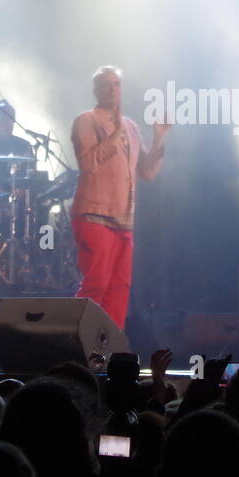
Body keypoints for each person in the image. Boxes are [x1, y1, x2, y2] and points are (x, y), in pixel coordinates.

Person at [69, 66, 169, 329]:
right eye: (106, 85)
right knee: (97, 283)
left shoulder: (132, 127)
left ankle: (109, 349)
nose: (112, 89)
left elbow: (147, 171)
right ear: (96, 91)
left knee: (119, 286)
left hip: (123, 219)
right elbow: (88, 163)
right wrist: (113, 135)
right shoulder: (86, 120)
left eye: (116, 84)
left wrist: (158, 137)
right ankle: (75, 340)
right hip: (94, 213)